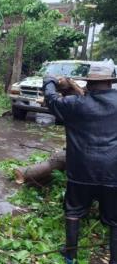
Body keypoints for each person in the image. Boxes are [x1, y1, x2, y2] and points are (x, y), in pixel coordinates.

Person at [43, 62, 117, 264]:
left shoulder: (76, 104)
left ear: (90, 84)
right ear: (110, 83)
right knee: (114, 219)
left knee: (74, 211)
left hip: (81, 171)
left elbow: (51, 101)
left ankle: (70, 255)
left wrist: (48, 81)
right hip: (113, 172)